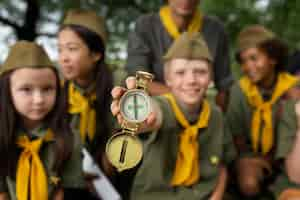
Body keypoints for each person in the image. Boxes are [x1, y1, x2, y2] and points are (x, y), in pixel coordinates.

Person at [112, 32, 236, 200]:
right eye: (180, 72)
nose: (191, 80)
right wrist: (139, 114)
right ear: (168, 79)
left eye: (200, 72)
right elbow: (153, 115)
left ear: (211, 78)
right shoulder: (164, 107)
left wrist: (217, 196)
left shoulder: (216, 116)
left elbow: (222, 164)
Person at [225, 25, 300, 199]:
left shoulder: (291, 89)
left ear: (273, 58)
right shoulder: (239, 91)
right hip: (250, 155)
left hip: (286, 156)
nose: (248, 66)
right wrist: (255, 160)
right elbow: (236, 138)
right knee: (249, 183)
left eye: (254, 58)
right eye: (243, 61)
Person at [125, 0, 233, 109]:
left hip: (199, 112)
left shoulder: (215, 30)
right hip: (156, 107)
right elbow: (137, 79)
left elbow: (224, 85)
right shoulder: (145, 26)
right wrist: (186, 96)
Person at [0, 41, 73, 200]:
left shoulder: (68, 137)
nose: (39, 99)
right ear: (7, 91)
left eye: (47, 89)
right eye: (26, 89)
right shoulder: (2, 136)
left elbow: (64, 192)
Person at [57, 9, 114, 199]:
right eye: (60, 49)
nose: (64, 57)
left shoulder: (116, 92)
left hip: (107, 183)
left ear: (96, 54)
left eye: (72, 49)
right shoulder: (55, 92)